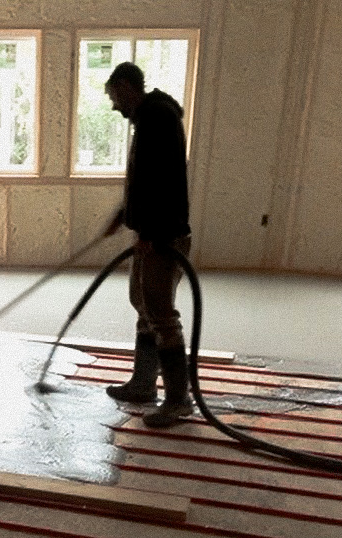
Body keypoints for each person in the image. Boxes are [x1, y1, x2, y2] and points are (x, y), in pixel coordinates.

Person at [103, 61, 192, 427]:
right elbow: (146, 180)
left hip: (163, 237)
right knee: (142, 304)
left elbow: (164, 183)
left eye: (113, 97)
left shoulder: (156, 117)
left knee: (161, 313)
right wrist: (125, 214)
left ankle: (178, 400)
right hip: (151, 234)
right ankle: (143, 384)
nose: (113, 106)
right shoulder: (149, 119)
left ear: (125, 86)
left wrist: (152, 235)